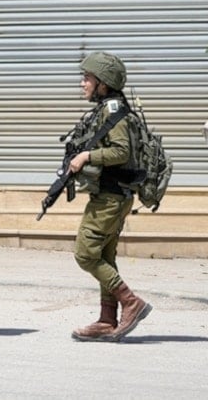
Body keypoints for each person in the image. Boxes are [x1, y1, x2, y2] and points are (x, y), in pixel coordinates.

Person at [67, 51, 152, 342]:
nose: (82, 83)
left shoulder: (113, 110)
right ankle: (106, 319)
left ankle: (130, 301)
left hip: (111, 197)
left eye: (87, 78)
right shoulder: (108, 107)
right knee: (104, 256)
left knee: (85, 254)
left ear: (103, 83)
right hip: (111, 194)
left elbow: (121, 152)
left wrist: (87, 155)